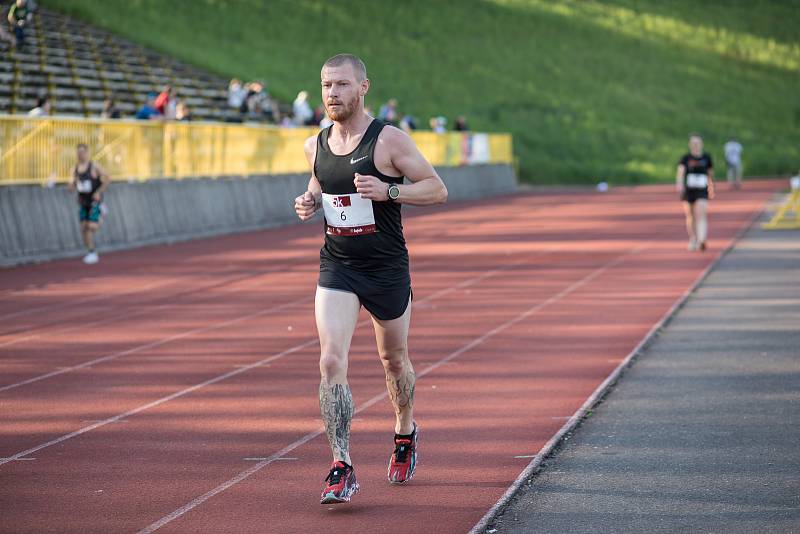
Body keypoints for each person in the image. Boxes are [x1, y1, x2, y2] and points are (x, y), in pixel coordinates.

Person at [293, 53, 447, 505]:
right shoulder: (314, 144)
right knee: (329, 361)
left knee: (393, 361)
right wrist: (308, 200)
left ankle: (404, 430)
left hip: (385, 269)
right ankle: (341, 464)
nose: (331, 94)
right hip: (337, 266)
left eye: (341, 85)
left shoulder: (389, 141)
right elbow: (321, 184)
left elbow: (437, 188)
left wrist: (390, 190)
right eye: (325, 85)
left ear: (363, 88)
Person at [67, 144, 109, 264]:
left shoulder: (94, 166)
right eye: (78, 153)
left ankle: (101, 212)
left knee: (91, 227)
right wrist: (71, 185)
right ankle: (91, 251)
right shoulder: (74, 169)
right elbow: (71, 187)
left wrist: (98, 192)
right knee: (83, 228)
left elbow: (108, 178)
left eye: (82, 152)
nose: (80, 155)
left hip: (94, 201)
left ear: (87, 153)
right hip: (83, 202)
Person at [676, 134, 715, 251]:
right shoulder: (685, 158)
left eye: (697, 143)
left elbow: (710, 174)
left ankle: (702, 239)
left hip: (702, 190)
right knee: (690, 216)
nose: (695, 145)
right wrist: (679, 185)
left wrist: (711, 186)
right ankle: (693, 239)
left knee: (701, 214)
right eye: (693, 143)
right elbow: (680, 173)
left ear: (701, 144)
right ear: (690, 145)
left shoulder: (706, 158)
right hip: (689, 190)